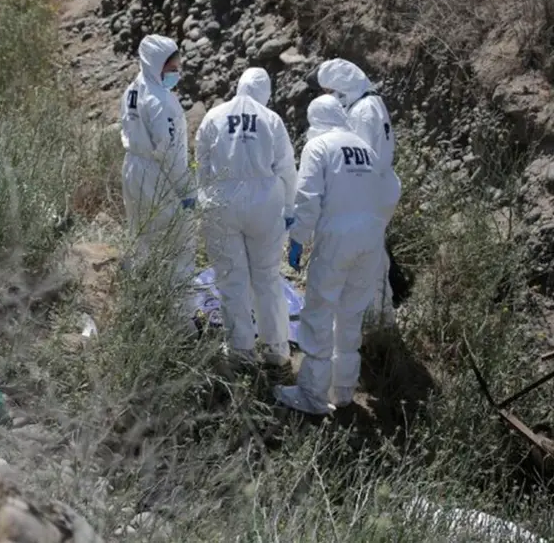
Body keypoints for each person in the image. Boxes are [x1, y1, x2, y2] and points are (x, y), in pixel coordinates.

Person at [274, 95, 401, 414]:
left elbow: (307, 197)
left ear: (316, 120)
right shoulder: (367, 150)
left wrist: (298, 239)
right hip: (371, 239)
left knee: (318, 311)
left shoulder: (319, 147)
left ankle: (312, 396)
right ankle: (343, 391)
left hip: (337, 239)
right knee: (350, 315)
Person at [194, 67, 297, 366]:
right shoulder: (271, 119)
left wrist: (204, 198)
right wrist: (290, 209)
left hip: (221, 202)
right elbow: (287, 169)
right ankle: (276, 350)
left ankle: (241, 351)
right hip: (265, 203)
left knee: (231, 278)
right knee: (266, 278)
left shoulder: (213, 116)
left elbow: (201, 163)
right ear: (265, 91)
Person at [119, 34, 198, 330]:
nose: (176, 72)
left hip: (133, 168)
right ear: (157, 65)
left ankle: (146, 309)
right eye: (172, 67)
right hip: (157, 174)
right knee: (179, 244)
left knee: (143, 240)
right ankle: (182, 325)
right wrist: (187, 191)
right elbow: (170, 153)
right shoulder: (160, 100)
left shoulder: (133, 89)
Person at [316, 58, 401, 329]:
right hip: (379, 188)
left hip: (369, 191)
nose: (329, 98)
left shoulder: (362, 111)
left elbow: (358, 160)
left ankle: (372, 321)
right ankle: (380, 318)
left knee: (368, 260)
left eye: (330, 91)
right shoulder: (371, 103)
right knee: (374, 254)